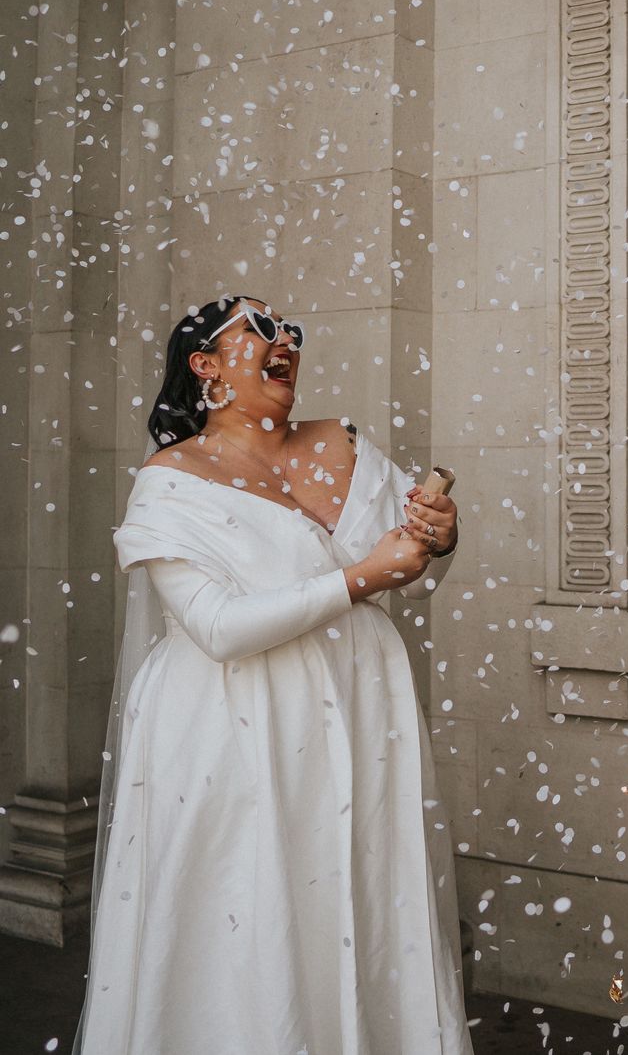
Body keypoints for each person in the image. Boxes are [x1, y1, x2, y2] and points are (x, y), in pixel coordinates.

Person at [71, 294, 472, 1054]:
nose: (284, 338)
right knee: (249, 911)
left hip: (358, 716)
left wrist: (438, 541)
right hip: (233, 728)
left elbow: (410, 571)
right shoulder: (171, 479)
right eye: (258, 329)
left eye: (292, 329)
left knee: (358, 901)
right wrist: (358, 579)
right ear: (205, 365)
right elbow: (218, 630)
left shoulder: (344, 442)